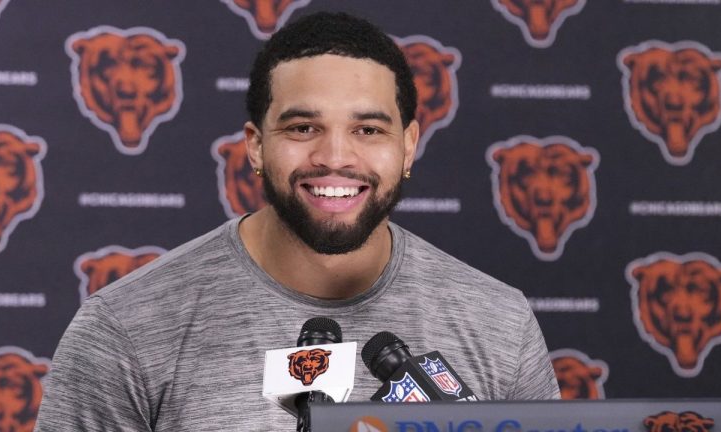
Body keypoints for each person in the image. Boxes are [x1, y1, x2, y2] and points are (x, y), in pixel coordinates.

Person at [34, 11, 559, 431]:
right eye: (303, 127)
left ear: (408, 147)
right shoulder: (126, 328)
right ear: (256, 146)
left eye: (369, 130)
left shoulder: (500, 323)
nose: (336, 157)